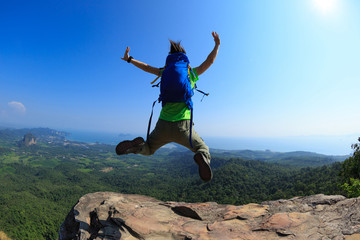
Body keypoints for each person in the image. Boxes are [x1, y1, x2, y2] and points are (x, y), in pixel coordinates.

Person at [116, 32, 220, 182]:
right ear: (186, 62)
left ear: (169, 61)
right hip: (183, 127)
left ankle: (137, 147)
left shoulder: (164, 72)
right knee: (202, 149)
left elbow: (146, 67)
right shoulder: (190, 73)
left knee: (149, 149)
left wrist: (129, 59)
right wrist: (217, 45)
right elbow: (209, 61)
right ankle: (202, 156)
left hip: (162, 125)